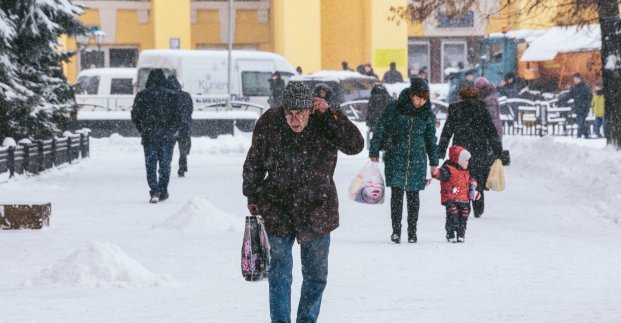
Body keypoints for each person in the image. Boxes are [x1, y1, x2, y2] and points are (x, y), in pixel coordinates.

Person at [242, 81, 364, 323]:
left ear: (310, 109)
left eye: (300, 114)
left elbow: (355, 145)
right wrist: (252, 195)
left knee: (316, 275)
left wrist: (332, 115)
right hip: (277, 206)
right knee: (280, 273)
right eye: (290, 114)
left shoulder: (325, 121)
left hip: (317, 207)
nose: (295, 120)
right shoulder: (270, 121)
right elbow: (254, 161)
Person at [369, 77, 439, 243]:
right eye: (418, 98)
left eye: (424, 99)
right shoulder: (396, 107)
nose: (421, 102)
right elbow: (381, 127)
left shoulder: (427, 113)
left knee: (414, 196)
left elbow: (431, 140)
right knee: (397, 195)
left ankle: (412, 231)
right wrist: (374, 149)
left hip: (417, 159)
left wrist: (434, 163)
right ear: (411, 95)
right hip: (395, 156)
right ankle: (396, 231)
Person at [438, 86, 503, 218]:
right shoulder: (482, 109)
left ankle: (463, 204)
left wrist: (441, 149)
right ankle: (478, 205)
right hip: (478, 149)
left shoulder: (456, 110)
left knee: (461, 177)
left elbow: (447, 132)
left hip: (460, 150)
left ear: (461, 97)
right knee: (477, 177)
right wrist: (498, 151)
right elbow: (491, 132)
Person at [131, 69, 181, 203]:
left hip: (149, 137)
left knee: (151, 165)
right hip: (166, 137)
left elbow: (135, 116)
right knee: (165, 166)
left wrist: (143, 130)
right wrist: (171, 131)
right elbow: (178, 118)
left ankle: (154, 191)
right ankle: (163, 190)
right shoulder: (172, 96)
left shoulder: (142, 95)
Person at [433, 145, 478, 243]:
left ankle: (461, 233)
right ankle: (450, 233)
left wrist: (474, 184)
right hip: (452, 199)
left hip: (465, 200)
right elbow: (441, 174)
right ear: (458, 160)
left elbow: (470, 182)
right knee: (452, 216)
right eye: (465, 160)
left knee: (464, 217)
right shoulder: (449, 169)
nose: (468, 162)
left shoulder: (466, 172)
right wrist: (435, 172)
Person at [166, 75, 193, 177]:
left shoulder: (167, 97)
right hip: (185, 127)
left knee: (169, 149)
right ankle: (182, 168)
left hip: (171, 128)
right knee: (183, 150)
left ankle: (166, 168)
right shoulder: (186, 96)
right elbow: (190, 111)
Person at [561, 73, 592, 138]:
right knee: (580, 122)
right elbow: (569, 95)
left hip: (584, 108)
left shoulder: (585, 87)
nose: (575, 80)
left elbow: (590, 97)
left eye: (576, 79)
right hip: (577, 108)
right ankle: (586, 134)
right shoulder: (574, 87)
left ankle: (579, 135)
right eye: (574, 79)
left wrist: (586, 104)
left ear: (580, 79)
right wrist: (561, 100)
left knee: (580, 122)